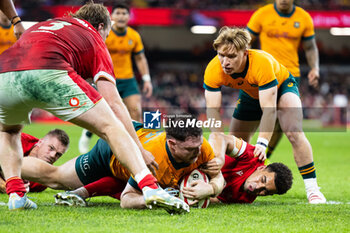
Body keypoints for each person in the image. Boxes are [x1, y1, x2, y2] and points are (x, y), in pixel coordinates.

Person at [0, 2, 186, 213]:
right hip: (49, 71)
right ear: (100, 27)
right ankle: (150, 187)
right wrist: (140, 150)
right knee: (112, 126)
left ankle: (16, 194)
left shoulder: (48, 24)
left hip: (4, 73)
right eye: (106, 33)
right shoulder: (94, 37)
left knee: (8, 131)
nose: (105, 38)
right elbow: (114, 103)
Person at [203, 27, 326, 204]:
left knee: (293, 131)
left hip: (282, 86)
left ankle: (313, 189)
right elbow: (212, 110)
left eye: (231, 57)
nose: (225, 62)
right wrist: (216, 137)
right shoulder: (213, 69)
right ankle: (224, 187)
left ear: (245, 53)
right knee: (233, 141)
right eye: (221, 55)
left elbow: (269, 109)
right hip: (249, 93)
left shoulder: (261, 63)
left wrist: (262, 143)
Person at [20, 118, 223, 213]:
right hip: (110, 152)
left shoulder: (199, 145)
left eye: (198, 147)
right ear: (172, 144)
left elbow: (218, 176)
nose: (197, 154)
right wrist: (162, 199)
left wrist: (212, 187)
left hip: (137, 134)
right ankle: (9, 163)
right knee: (56, 179)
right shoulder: (153, 160)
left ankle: (82, 193)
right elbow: (127, 199)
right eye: (190, 150)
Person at [247, 0, 320, 158]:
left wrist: (315, 68)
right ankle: (244, 156)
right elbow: (246, 41)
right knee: (254, 117)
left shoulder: (303, 18)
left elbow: (310, 47)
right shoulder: (261, 14)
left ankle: (261, 157)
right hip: (264, 73)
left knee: (281, 122)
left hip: (291, 75)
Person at [79, 3, 152, 154]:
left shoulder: (134, 35)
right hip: (106, 78)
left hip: (128, 79)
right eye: (118, 13)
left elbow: (140, 58)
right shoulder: (105, 33)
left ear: (129, 17)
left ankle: (136, 146)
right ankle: (87, 134)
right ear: (111, 16)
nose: (121, 16)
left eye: (124, 13)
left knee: (136, 110)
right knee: (105, 112)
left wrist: (146, 79)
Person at [207, 133, 293, 203]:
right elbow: (218, 136)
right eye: (263, 179)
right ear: (261, 168)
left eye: (265, 191)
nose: (258, 187)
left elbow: (216, 200)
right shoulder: (253, 156)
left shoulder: (246, 199)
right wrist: (218, 160)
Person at [0, 129, 69, 193]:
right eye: (51, 148)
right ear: (40, 142)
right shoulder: (17, 141)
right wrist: (4, 185)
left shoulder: (43, 181)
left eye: (58, 154)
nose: (53, 155)